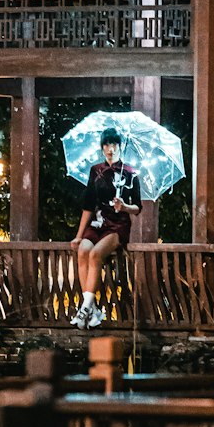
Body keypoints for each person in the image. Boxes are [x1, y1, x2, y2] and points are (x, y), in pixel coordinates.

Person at [70, 126, 142, 329]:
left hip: (118, 226)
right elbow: (87, 205)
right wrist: (78, 235)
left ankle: (84, 309)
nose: (110, 149)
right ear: (102, 148)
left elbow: (138, 207)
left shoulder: (130, 173)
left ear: (120, 147)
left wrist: (124, 206)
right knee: (83, 250)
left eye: (114, 145)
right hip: (97, 223)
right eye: (107, 145)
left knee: (95, 255)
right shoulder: (96, 171)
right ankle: (92, 310)